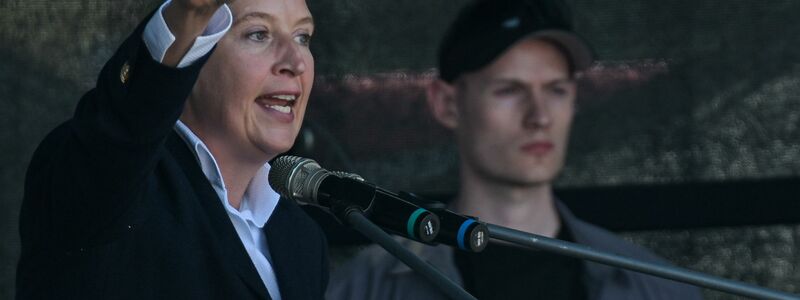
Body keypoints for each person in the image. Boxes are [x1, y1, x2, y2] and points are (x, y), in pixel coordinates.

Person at [326, 0, 703, 299]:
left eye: (557, 90)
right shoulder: (365, 288)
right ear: (447, 104)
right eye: (509, 90)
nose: (539, 116)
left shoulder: (658, 287)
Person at [17, 0, 327, 299]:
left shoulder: (302, 238)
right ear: (194, 50)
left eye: (303, 37)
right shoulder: (115, 181)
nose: (295, 62)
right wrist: (186, 16)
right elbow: (119, 134)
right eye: (258, 34)